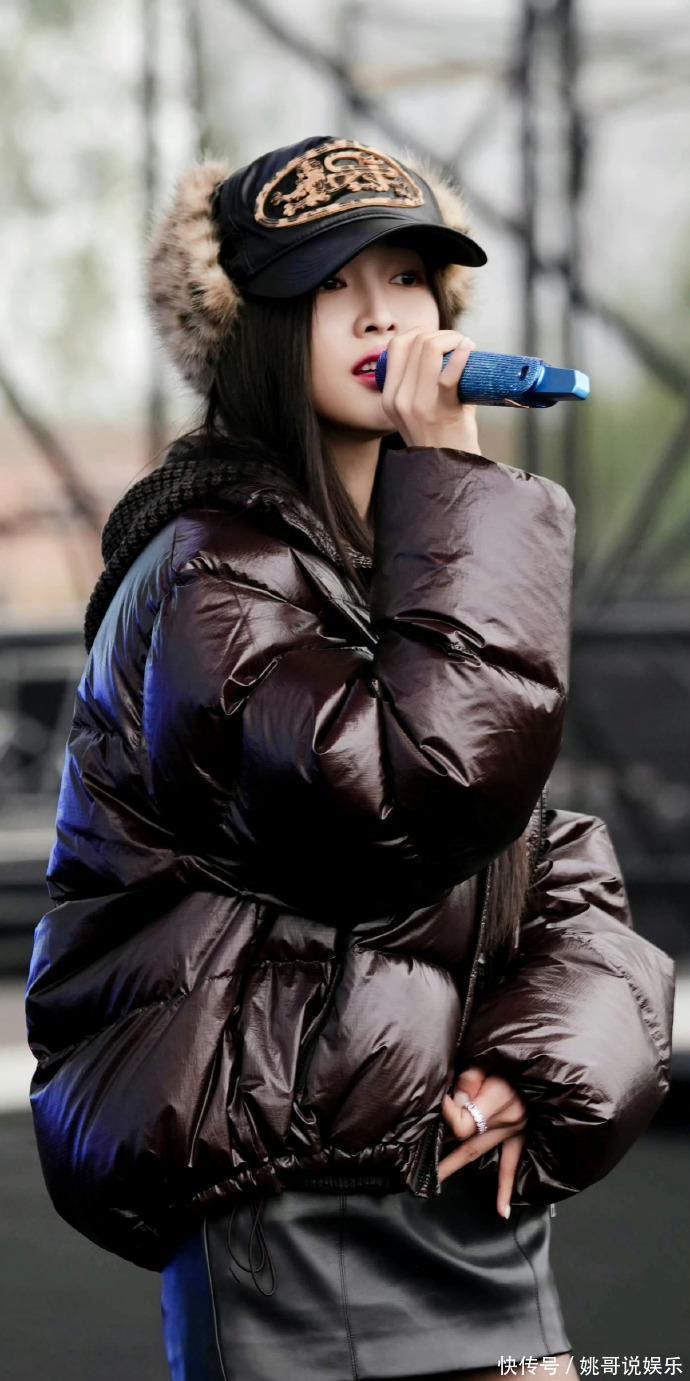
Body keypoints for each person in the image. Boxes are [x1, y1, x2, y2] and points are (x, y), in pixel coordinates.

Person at [24, 135, 675, 1381]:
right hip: (286, 1191)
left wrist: (538, 1064)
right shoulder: (212, 572)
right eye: (333, 285)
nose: (384, 315)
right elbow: (406, 798)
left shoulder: (413, 569)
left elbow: (549, 867)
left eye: (409, 278)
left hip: (455, 1172)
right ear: (256, 331)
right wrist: (459, 481)